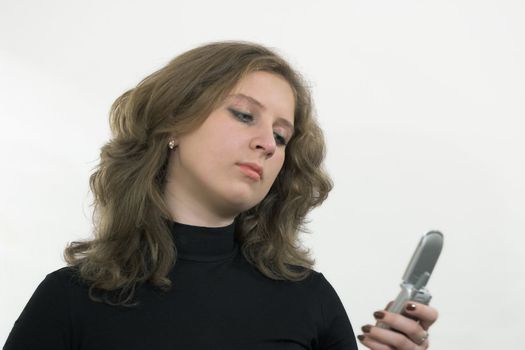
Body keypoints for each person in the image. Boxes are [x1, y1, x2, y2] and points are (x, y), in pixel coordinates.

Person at [3, 41, 438, 350]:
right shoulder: (71, 298)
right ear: (173, 121)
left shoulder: (309, 298)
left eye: (282, 136)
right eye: (244, 115)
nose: (268, 142)